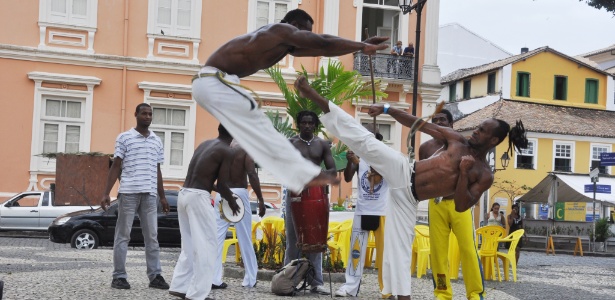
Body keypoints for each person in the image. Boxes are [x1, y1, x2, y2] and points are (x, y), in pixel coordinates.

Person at [293, 75, 527, 299]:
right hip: (405, 170)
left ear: (493, 140)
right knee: (365, 140)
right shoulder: (457, 140)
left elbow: (461, 205)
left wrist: (464, 174)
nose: (475, 130)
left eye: (482, 130)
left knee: (400, 247)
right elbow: (419, 124)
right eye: (478, 127)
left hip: (410, 198)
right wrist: (387, 110)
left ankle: (403, 296)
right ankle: (314, 96)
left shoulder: (484, 174)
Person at [191, 8, 389, 195]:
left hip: (209, 85)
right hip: (214, 81)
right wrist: (362, 46)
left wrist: (360, 45)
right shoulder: (281, 30)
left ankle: (294, 172)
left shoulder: (284, 46)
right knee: (254, 114)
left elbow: (324, 47)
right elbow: (321, 42)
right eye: (305, 33)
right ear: (294, 24)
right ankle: (301, 174)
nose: (307, 38)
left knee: (251, 129)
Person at [100, 103, 170, 290]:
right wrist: (106, 192)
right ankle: (119, 277)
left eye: (150, 114)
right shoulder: (124, 138)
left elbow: (157, 170)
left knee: (152, 237)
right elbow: (116, 165)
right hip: (129, 193)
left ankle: (155, 276)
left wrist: (162, 197)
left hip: (150, 195)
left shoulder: (157, 140)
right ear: (136, 115)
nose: (147, 117)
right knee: (123, 235)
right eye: (144, 113)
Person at [418, 109, 485, 300]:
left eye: (443, 120)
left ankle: (475, 293)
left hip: (459, 204)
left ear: (451, 123)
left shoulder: (464, 146)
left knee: (468, 250)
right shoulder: (426, 148)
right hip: (436, 204)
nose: (439, 123)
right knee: (438, 252)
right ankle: (442, 293)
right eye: (435, 120)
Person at [168, 124, 240, 300]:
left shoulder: (204, 144)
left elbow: (204, 178)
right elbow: (222, 184)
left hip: (184, 194)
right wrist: (232, 201)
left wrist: (225, 194)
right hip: (199, 198)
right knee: (207, 246)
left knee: (190, 245)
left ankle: (180, 286)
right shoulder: (227, 151)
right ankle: (197, 294)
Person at [283, 110, 336, 295]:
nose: (307, 125)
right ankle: (288, 281)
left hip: (315, 196)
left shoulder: (322, 144)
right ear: (298, 124)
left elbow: (332, 170)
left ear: (315, 125)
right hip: (295, 195)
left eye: (310, 122)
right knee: (293, 240)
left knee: (315, 239)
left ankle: (317, 282)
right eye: (303, 122)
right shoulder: (291, 143)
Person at [334, 125, 390, 298]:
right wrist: (352, 161)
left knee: (385, 253)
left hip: (383, 211)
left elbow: (381, 173)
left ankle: (387, 288)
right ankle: (351, 286)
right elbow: (349, 178)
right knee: (356, 250)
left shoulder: (385, 155)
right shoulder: (358, 155)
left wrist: (360, 162)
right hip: (362, 210)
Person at [212, 141, 266, 289]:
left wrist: (221, 191)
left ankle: (213, 278)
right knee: (245, 237)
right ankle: (250, 279)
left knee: (217, 237)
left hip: (222, 194)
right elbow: (252, 174)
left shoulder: (218, 148)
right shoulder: (245, 148)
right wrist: (260, 199)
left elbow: (208, 177)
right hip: (239, 194)